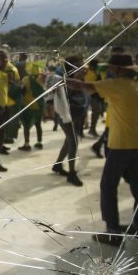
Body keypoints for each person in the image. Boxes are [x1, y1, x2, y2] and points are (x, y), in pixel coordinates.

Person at [69, 53, 138, 245]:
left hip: (121, 144)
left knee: (108, 186)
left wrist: (56, 80)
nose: (109, 71)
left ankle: (113, 233)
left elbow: (81, 86)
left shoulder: (116, 84)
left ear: (118, 69)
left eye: (111, 68)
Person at [48, 56, 84, 186]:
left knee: (69, 141)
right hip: (66, 115)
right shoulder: (62, 78)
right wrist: (77, 79)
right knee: (73, 142)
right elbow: (66, 94)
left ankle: (57, 165)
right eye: (79, 64)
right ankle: (72, 173)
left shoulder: (76, 77)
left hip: (76, 113)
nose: (82, 67)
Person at [18, 62, 45, 151]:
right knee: (38, 124)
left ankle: (27, 144)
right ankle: (39, 142)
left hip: (28, 105)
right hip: (40, 105)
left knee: (26, 125)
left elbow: (22, 91)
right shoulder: (42, 79)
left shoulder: (26, 79)